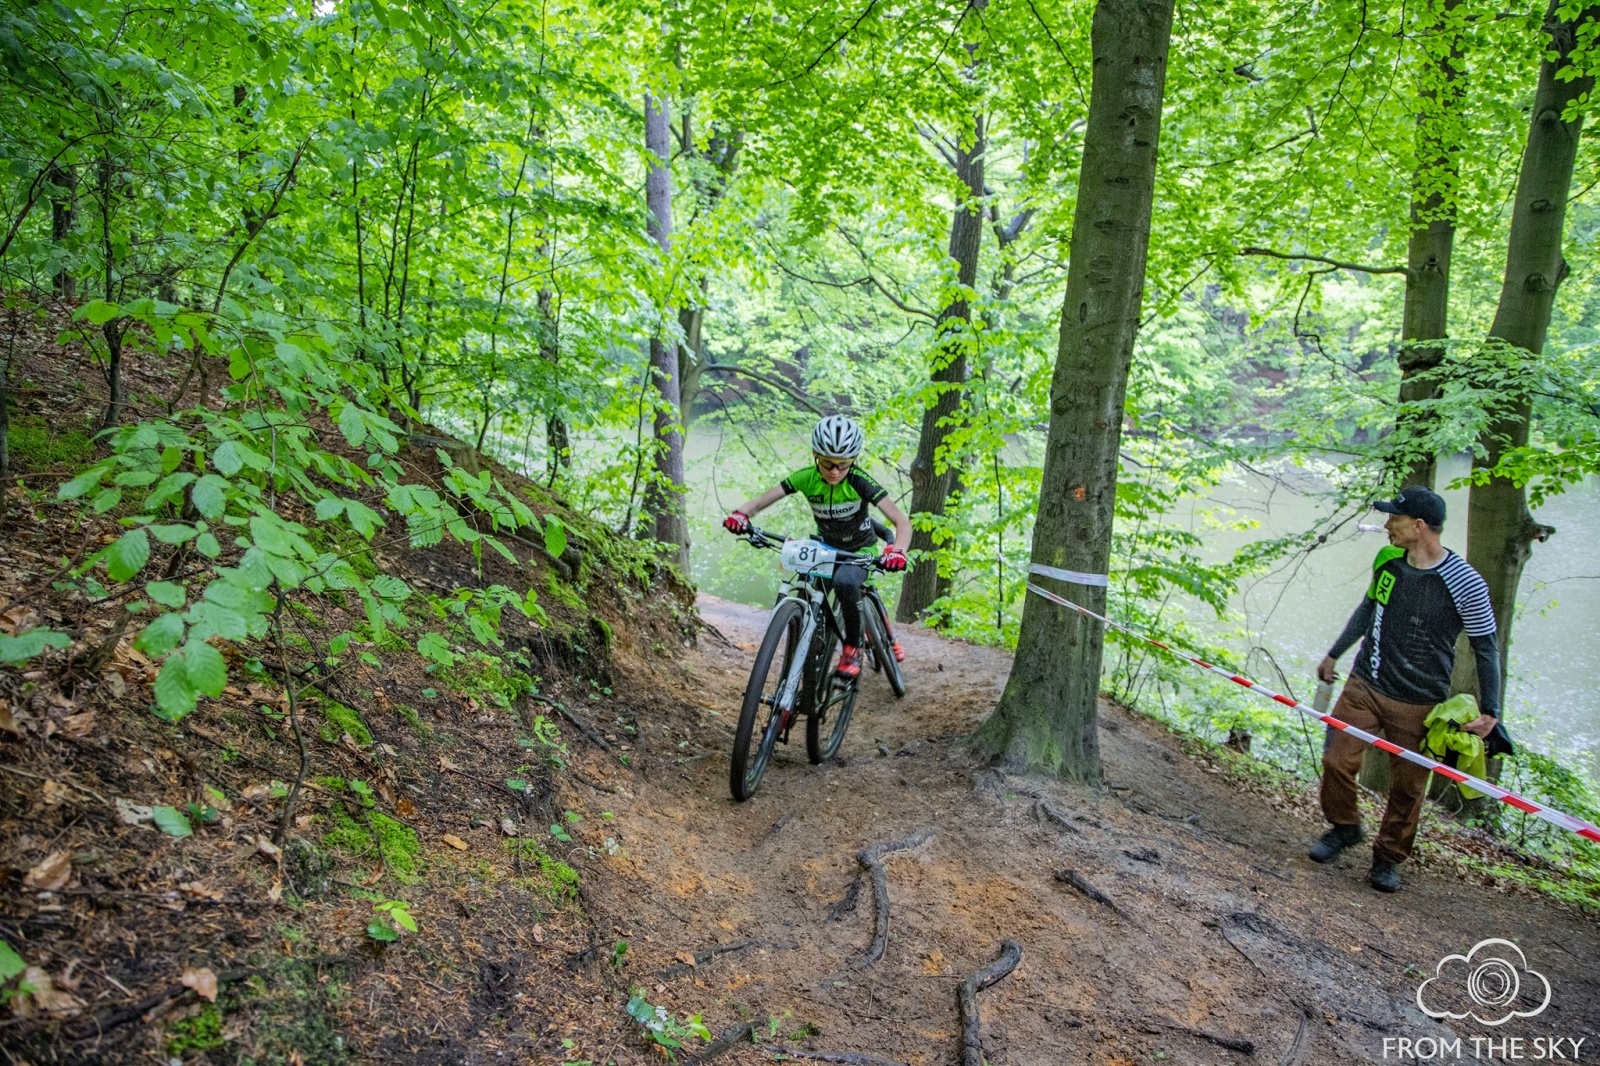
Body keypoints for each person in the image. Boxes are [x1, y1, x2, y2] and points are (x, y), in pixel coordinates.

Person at [1312, 486, 1509, 894]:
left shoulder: (1465, 582)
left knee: (1407, 788)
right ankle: (1345, 827)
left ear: (1418, 527)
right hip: (1366, 681)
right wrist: (1334, 653)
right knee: (1335, 760)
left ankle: (1387, 859)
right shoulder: (1387, 561)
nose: (1387, 526)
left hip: (1420, 701)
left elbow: (1486, 646)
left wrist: (1491, 711)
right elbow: (1369, 610)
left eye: (1394, 519)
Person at [722, 415, 913, 679]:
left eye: (843, 465)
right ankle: (812, 635)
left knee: (846, 582)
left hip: (860, 550)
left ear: (854, 460)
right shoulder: (805, 478)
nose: (834, 471)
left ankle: (852, 648)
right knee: (809, 580)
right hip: (825, 548)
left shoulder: (860, 481)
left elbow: (902, 522)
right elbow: (760, 501)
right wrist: (741, 514)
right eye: (827, 463)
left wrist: (898, 550)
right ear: (815, 455)